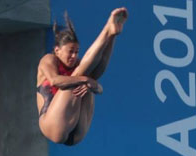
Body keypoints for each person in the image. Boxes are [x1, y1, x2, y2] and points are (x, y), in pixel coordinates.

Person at [36, 8, 128, 146]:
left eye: (77, 52)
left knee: (89, 75)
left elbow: (98, 88)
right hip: (53, 126)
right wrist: (85, 81)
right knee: (80, 76)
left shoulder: (79, 64)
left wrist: (94, 86)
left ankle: (112, 35)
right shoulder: (49, 60)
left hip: (77, 132)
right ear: (57, 50)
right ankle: (106, 30)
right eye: (70, 52)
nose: (74, 56)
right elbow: (56, 80)